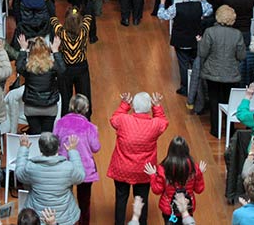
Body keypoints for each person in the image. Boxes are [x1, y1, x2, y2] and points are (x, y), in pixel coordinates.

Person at [108, 91, 169, 225]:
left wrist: (124, 104)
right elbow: (164, 122)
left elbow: (114, 119)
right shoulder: (155, 125)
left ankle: (119, 222)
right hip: (144, 170)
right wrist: (157, 106)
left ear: (134, 107)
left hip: (122, 168)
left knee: (121, 198)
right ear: (149, 108)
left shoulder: (123, 120)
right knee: (142, 199)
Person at [16, 132, 86, 224]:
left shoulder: (31, 167)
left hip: (37, 217)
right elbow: (80, 177)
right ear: (58, 148)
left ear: (40, 149)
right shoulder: (68, 167)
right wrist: (73, 151)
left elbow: (19, 174)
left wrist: (23, 148)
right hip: (64, 217)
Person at [199, 5, 247, 136]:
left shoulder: (210, 32)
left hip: (212, 72)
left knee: (214, 100)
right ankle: (230, 129)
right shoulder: (237, 34)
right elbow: (241, 56)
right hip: (231, 73)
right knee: (229, 100)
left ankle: (215, 129)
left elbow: (202, 53)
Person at [157, 0, 212, 97]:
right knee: (196, 64)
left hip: (181, 41)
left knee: (183, 65)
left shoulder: (176, 7)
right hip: (195, 40)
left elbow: (162, 15)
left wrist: (162, 2)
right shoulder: (200, 6)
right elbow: (210, 9)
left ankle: (185, 88)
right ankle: (196, 88)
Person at [53, 94, 100, 225]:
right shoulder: (90, 127)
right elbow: (96, 148)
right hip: (85, 170)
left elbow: (54, 142)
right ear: (86, 109)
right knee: (84, 202)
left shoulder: (59, 123)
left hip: (64, 167)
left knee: (63, 199)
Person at [144, 135, 206, 221]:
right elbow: (199, 190)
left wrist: (153, 175)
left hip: (169, 208)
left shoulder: (163, 169)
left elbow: (157, 190)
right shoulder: (194, 169)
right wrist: (199, 174)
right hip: (187, 206)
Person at [16, 35, 66, 134]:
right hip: (49, 107)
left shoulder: (28, 67)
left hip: (31, 107)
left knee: (34, 134)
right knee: (46, 136)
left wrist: (23, 49)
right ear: (47, 50)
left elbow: (18, 67)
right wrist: (56, 51)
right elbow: (62, 69)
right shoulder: (52, 67)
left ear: (31, 51)